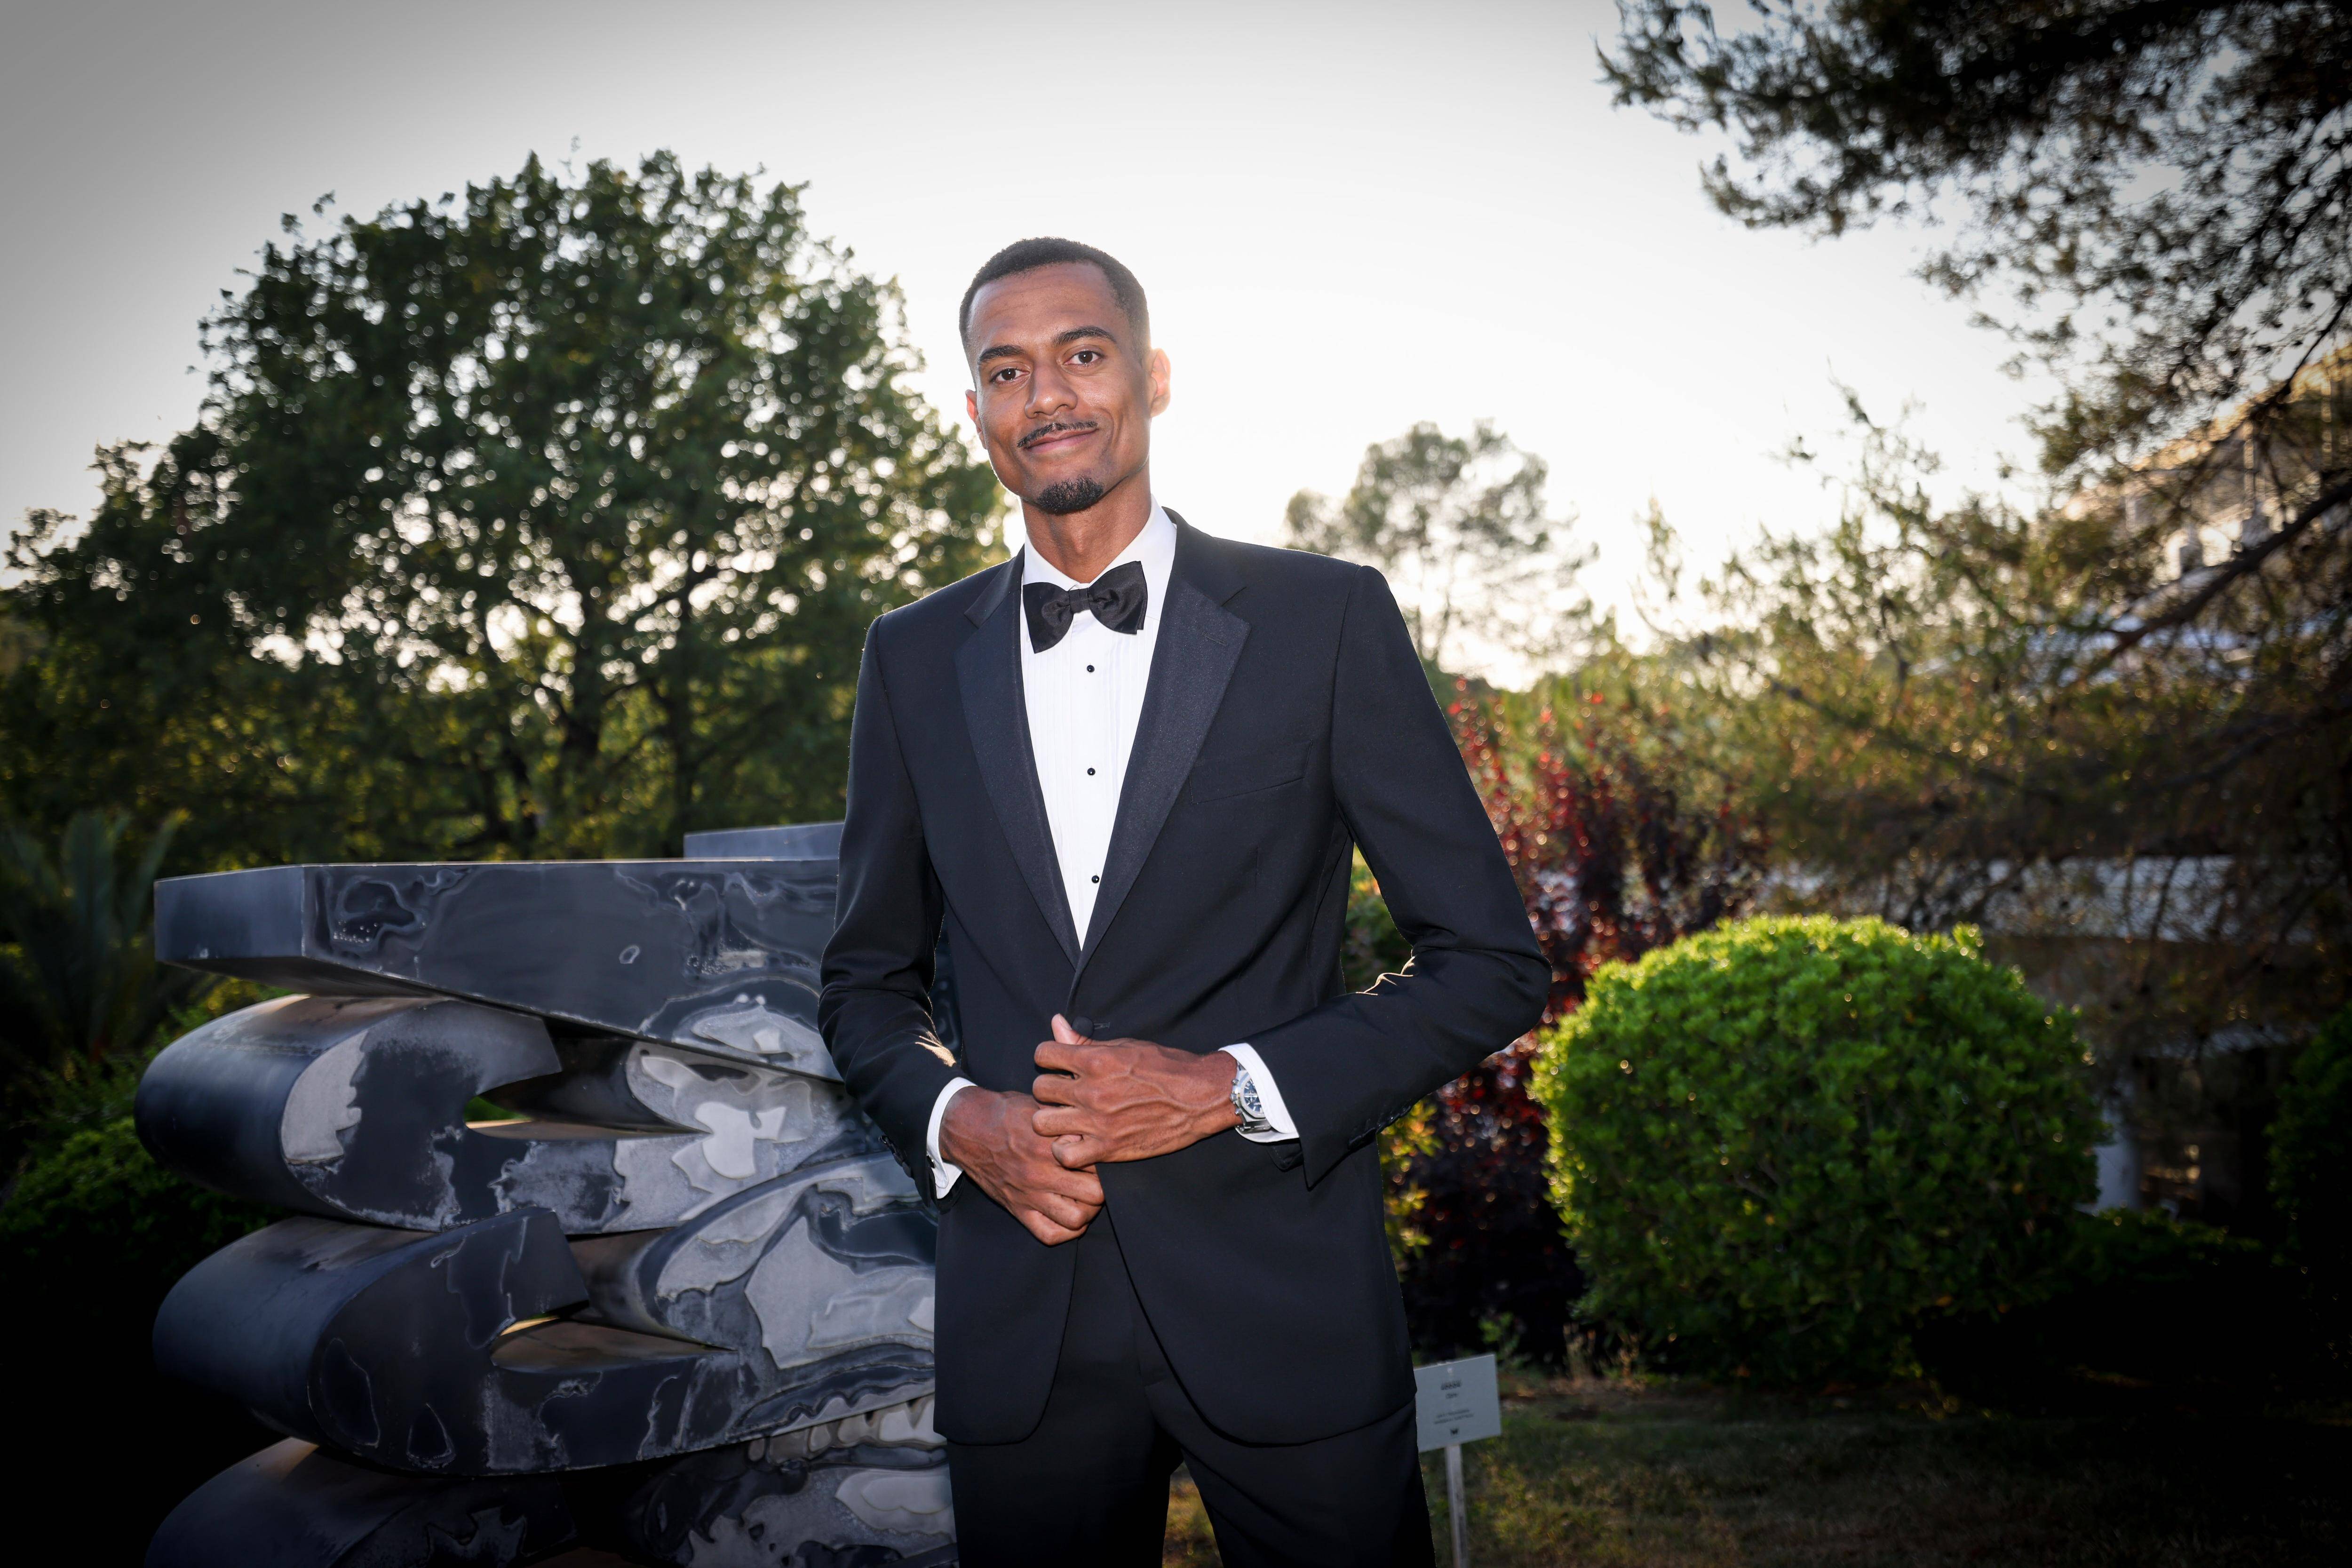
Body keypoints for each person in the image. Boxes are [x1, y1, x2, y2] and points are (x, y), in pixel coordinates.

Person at [818, 237, 1548, 1567]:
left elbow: (1489, 960)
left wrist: (1230, 1086)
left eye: (1082, 354)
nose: (1049, 394)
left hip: (1287, 1306)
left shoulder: (1322, 619)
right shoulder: (911, 658)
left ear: (1151, 378)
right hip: (1022, 1317)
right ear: (976, 409)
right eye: (1007, 368)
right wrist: (957, 1116)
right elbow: (864, 982)